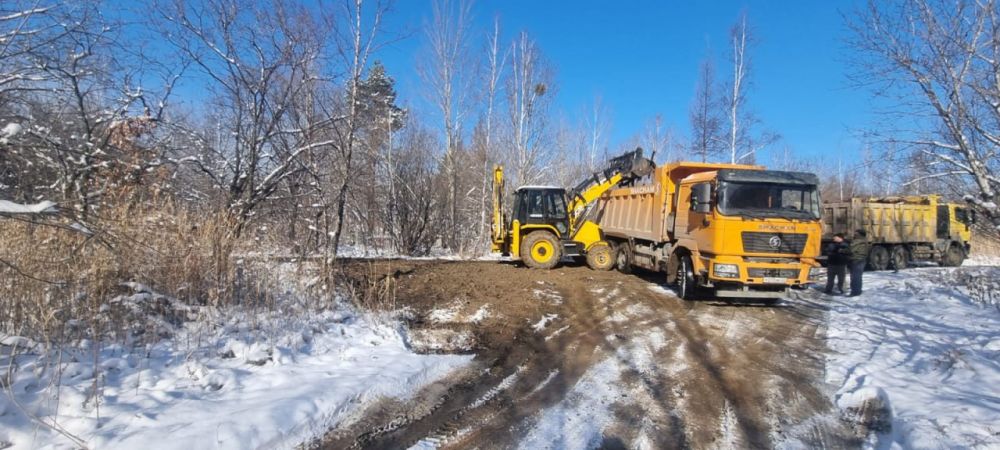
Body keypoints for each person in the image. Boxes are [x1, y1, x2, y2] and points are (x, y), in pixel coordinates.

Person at [848, 229, 871, 297]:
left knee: (855, 277)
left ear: (859, 234)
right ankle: (857, 291)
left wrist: (842, 250)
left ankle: (855, 292)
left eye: (856, 233)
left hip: (856, 260)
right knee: (857, 276)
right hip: (861, 260)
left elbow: (851, 249)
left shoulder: (858, 241)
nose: (854, 234)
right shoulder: (864, 240)